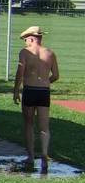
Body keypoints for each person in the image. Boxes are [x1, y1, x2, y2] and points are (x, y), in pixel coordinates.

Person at [12, 25, 60, 173]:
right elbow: (56, 75)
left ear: (32, 38)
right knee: (44, 127)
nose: (25, 42)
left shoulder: (25, 53)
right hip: (44, 91)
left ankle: (31, 156)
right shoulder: (50, 53)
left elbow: (20, 72)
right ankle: (44, 154)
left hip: (30, 90)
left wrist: (16, 90)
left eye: (26, 39)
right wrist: (45, 82)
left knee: (29, 124)